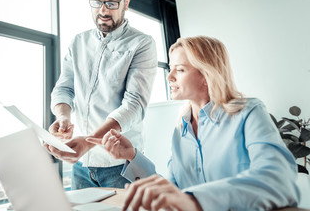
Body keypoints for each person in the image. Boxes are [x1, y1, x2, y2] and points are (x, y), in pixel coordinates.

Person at [87, 36, 300, 211]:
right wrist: (131, 155)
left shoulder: (249, 112)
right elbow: (174, 191)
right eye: (170, 69)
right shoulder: (181, 129)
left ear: (206, 75)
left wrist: (195, 200)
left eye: (179, 69)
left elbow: (279, 180)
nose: (169, 76)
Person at [45, 0, 157, 190]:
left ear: (127, 1)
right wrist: (63, 117)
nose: (103, 11)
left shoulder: (142, 44)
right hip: (81, 166)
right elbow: (64, 88)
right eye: (96, 1)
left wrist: (87, 141)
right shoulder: (78, 42)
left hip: (119, 166)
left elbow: (134, 105)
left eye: (112, 3)